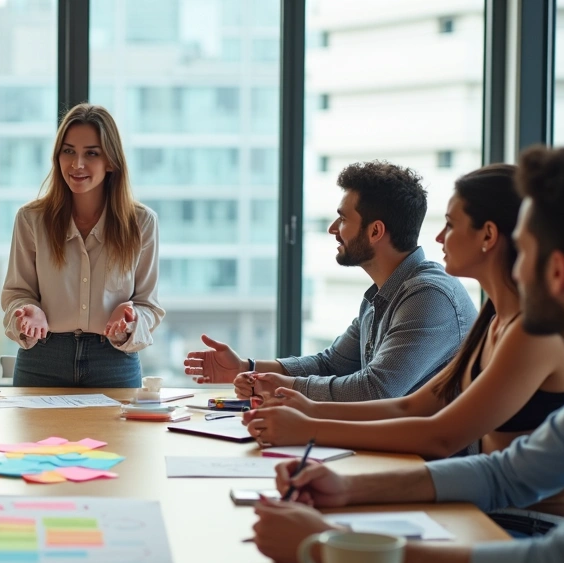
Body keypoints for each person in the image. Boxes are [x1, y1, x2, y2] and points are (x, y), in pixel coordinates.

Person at [251, 143, 564, 563]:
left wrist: (331, 545)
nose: (515, 269)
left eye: (523, 251)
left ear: (558, 271)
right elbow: (507, 473)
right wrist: (347, 489)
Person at [242, 165, 564, 517]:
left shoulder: (532, 331)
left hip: (529, 525)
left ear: (488, 235)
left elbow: (439, 435)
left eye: (450, 224)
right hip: (487, 509)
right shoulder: (493, 321)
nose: (437, 238)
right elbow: (412, 406)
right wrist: (309, 410)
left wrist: (311, 427)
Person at [183, 162, 477, 402]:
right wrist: (248, 368)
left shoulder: (428, 296)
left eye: (343, 219)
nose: (333, 229)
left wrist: (281, 387)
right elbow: (332, 364)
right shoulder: (382, 295)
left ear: (375, 231)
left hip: (426, 460)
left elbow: (375, 389)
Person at [1, 103, 164, 387]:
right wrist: (28, 309)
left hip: (113, 362)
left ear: (111, 161)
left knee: (116, 435)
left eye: (91, 153)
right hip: (42, 359)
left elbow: (149, 305)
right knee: (33, 435)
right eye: (68, 151)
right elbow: (16, 293)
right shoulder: (31, 219)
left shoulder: (142, 223)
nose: (77, 164)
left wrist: (130, 318)